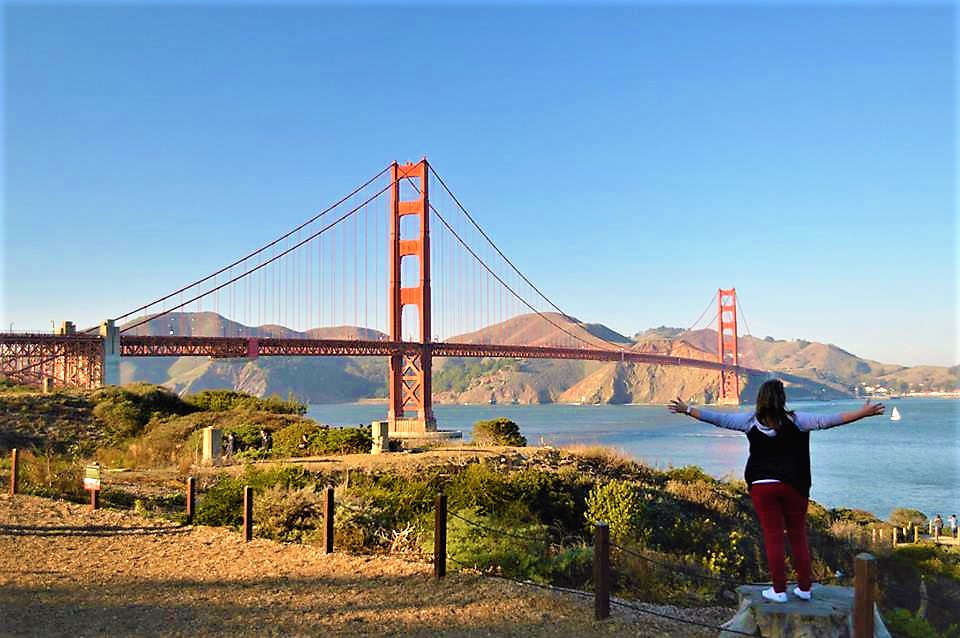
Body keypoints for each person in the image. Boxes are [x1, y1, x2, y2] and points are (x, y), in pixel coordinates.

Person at [669, 379, 884, 603]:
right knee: (798, 536)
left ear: (760, 398)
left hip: (761, 485)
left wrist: (688, 410)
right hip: (794, 484)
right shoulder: (799, 420)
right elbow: (830, 421)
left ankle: (779, 591)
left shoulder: (749, 421)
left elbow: (718, 419)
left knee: (773, 538)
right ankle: (804, 589)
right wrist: (863, 413)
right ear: (782, 399)